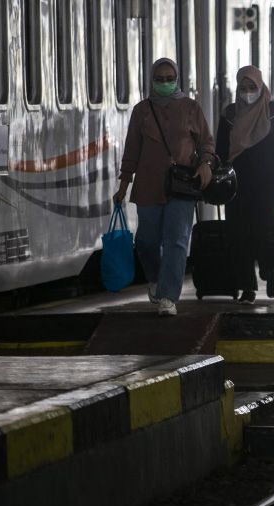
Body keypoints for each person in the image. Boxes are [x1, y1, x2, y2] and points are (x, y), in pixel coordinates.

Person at [113, 58, 214, 316]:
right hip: (148, 185)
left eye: (170, 78)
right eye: (161, 79)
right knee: (146, 241)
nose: (166, 83)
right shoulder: (142, 111)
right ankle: (157, 279)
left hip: (182, 186)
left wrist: (205, 164)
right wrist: (123, 186)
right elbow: (132, 151)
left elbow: (206, 143)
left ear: (177, 79)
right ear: (152, 80)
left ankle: (169, 297)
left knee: (177, 241)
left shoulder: (191, 108)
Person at [216, 65, 274, 304]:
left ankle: (271, 272)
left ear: (261, 86)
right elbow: (221, 148)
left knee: (264, 229)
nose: (247, 92)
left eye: (252, 87)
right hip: (236, 182)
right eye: (243, 87)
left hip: (267, 182)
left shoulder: (273, 112)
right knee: (238, 234)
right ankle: (247, 287)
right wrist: (215, 177)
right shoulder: (230, 114)